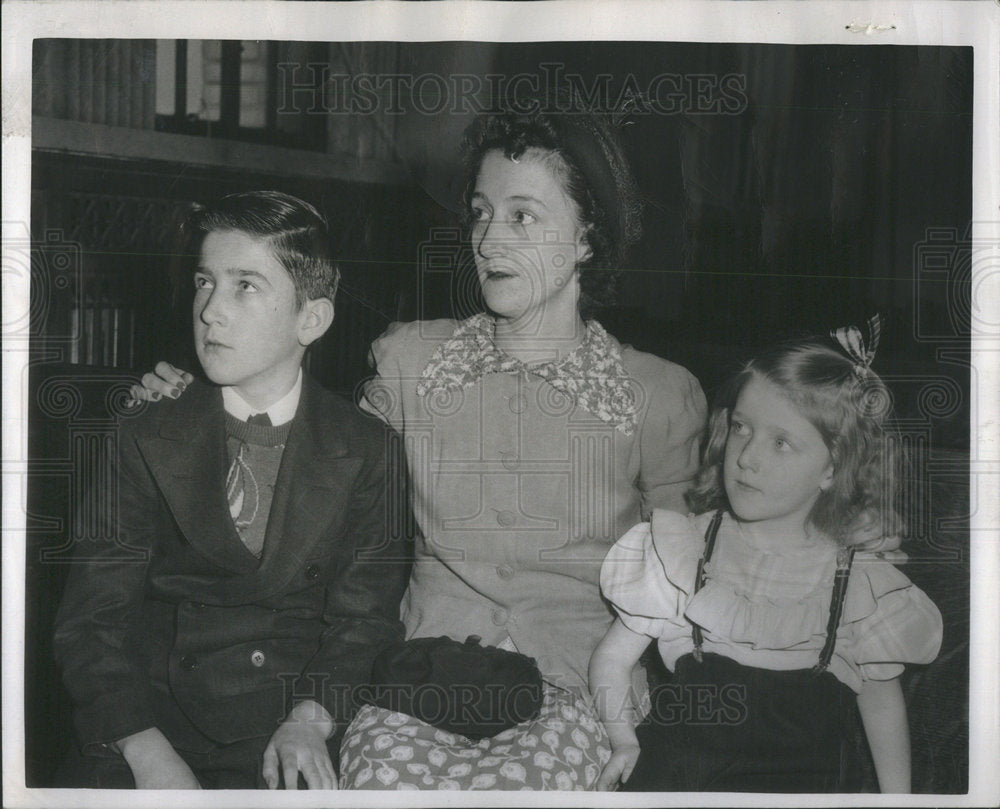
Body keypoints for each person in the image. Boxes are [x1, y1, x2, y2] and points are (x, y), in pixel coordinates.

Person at [138, 97, 707, 790]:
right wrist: (202, 408)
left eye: (523, 216)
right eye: (480, 211)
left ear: (587, 236)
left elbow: (694, 573)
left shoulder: (657, 394)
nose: (489, 239)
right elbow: (312, 459)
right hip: (420, 680)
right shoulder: (411, 360)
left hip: (576, 688)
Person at [53, 191, 408, 790]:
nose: (210, 309)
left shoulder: (367, 448)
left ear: (311, 319)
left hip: (289, 722)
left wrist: (309, 719)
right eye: (203, 281)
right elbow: (91, 623)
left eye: (245, 285)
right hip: (154, 719)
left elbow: (363, 621)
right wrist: (143, 748)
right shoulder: (145, 431)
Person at [589, 323, 943, 793]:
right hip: (675, 783)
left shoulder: (858, 581)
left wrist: (898, 802)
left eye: (781, 442)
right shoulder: (682, 550)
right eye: (740, 428)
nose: (746, 457)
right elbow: (612, 659)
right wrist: (623, 740)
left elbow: (880, 705)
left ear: (834, 468)